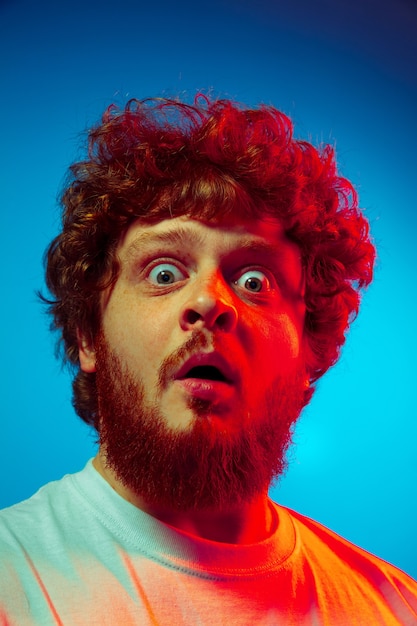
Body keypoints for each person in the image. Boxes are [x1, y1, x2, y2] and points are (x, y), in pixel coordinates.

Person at [0, 95, 416, 626]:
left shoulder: (397, 609)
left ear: (308, 354)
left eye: (254, 281)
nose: (210, 302)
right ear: (88, 338)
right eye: (164, 273)